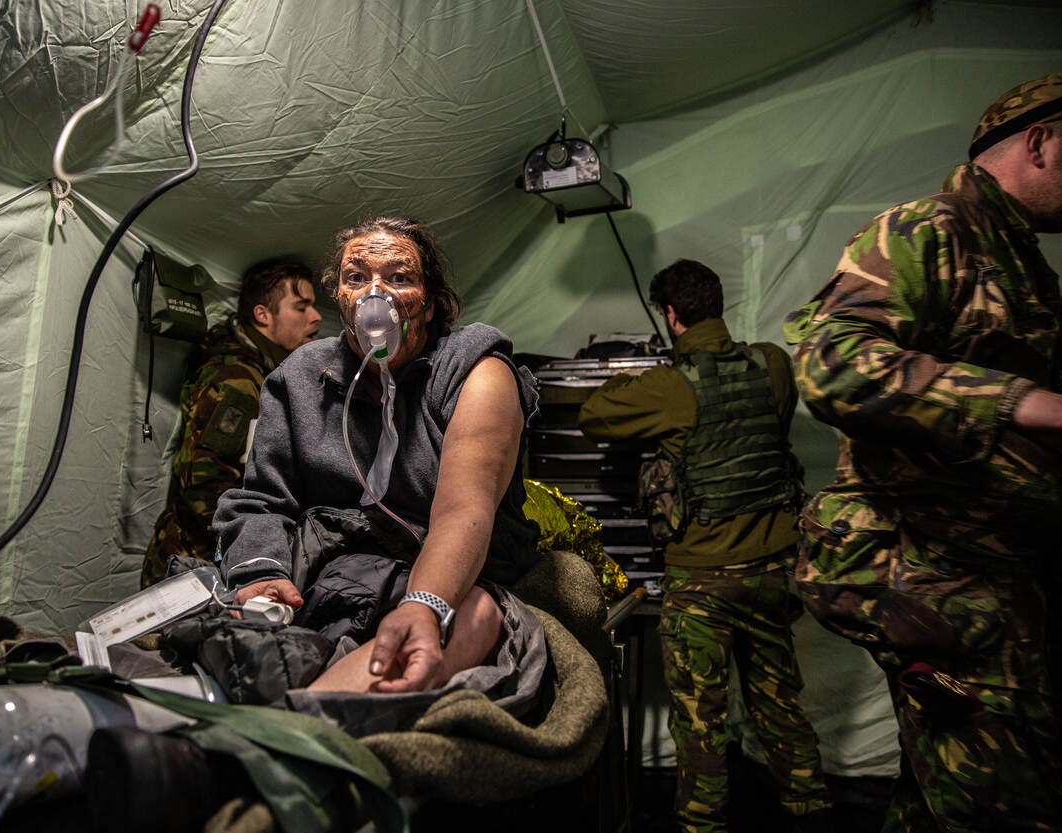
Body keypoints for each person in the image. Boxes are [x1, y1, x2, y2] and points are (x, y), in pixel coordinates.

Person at [784, 72, 1062, 832]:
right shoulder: (929, 231)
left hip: (995, 582)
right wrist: (1019, 401)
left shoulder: (1021, 262)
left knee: (941, 794)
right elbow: (832, 362)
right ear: (1039, 142)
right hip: (937, 582)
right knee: (1007, 807)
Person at [212, 216, 547, 730]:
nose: (376, 294)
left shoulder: (475, 368)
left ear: (429, 303)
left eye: (399, 277)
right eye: (356, 278)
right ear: (340, 300)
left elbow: (464, 510)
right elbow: (262, 501)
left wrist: (424, 605)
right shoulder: (299, 379)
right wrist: (262, 574)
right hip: (330, 574)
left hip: (451, 580)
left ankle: (292, 734)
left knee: (475, 615)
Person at [579, 259, 832, 833]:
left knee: (700, 718)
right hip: (773, 571)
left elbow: (595, 416)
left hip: (701, 581)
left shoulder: (670, 387)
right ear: (717, 305)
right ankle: (812, 811)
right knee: (780, 706)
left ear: (671, 316)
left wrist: (638, 378)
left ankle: (702, 823)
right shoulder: (773, 364)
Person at [140, 259, 322, 587]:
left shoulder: (267, 374)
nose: (316, 316)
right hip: (195, 562)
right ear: (262, 315)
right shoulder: (236, 380)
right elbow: (204, 483)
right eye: (301, 307)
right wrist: (249, 549)